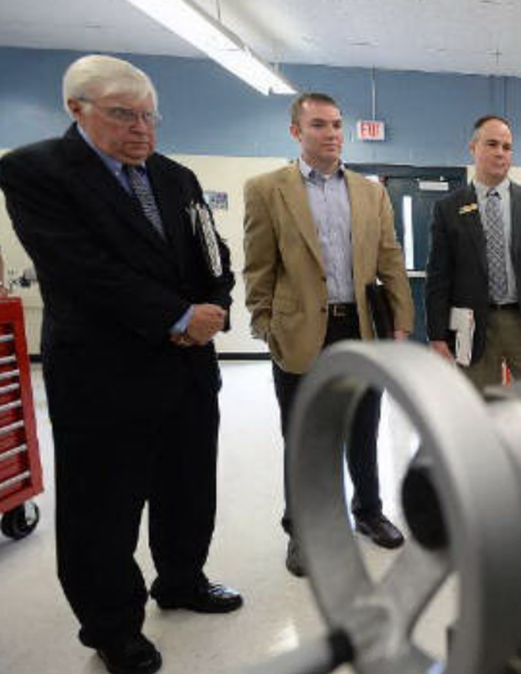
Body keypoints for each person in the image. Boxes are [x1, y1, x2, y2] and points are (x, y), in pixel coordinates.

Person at [0, 54, 239, 674]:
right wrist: (177, 316)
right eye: (122, 115)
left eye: (149, 115)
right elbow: (81, 270)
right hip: (104, 375)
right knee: (102, 511)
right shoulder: (35, 172)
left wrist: (213, 305)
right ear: (75, 110)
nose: (141, 128)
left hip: (188, 371)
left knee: (188, 490)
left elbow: (215, 253)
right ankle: (111, 626)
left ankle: (182, 581)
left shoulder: (176, 177)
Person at [242, 92, 414, 577]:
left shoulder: (369, 191)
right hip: (299, 329)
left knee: (364, 425)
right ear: (296, 132)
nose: (332, 133)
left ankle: (368, 512)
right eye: (319, 125)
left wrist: (401, 322)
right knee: (304, 434)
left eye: (338, 124)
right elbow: (258, 266)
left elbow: (390, 259)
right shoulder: (266, 189)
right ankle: (304, 530)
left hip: (358, 326)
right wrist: (264, 323)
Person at [425, 115, 521, 388]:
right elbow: (438, 276)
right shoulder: (448, 208)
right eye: (492, 144)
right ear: (473, 148)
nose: (501, 153)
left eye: (507, 146)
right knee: (477, 410)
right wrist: (437, 335)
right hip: (473, 326)